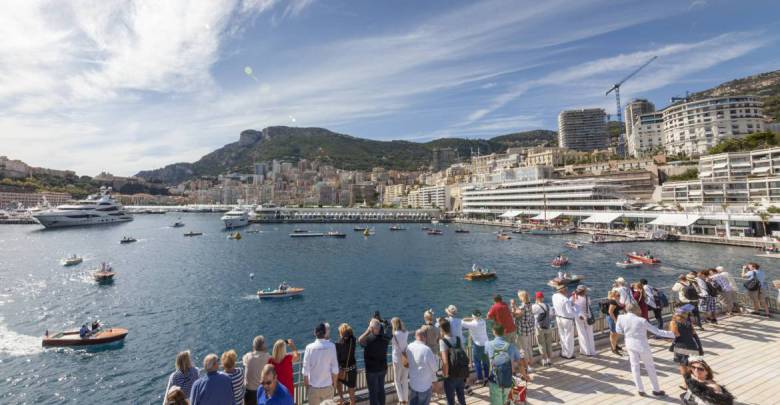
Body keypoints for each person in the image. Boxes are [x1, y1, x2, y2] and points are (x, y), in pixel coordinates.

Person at [615, 302, 674, 397]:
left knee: (634, 367)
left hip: (629, 344)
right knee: (650, 367)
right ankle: (656, 390)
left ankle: (640, 389)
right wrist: (673, 334)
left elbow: (618, 330)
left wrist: (627, 332)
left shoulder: (620, 317)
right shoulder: (641, 320)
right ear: (636, 309)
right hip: (642, 345)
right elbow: (657, 331)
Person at [485, 324, 530, 405]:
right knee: (508, 400)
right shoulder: (512, 346)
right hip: (508, 379)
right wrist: (525, 376)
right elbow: (520, 364)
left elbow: (486, 356)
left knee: (496, 402)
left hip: (494, 379)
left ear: (494, 332)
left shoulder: (488, 344)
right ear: (504, 332)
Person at [302, 323, 339, 405]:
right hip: (328, 387)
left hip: (313, 388)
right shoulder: (331, 346)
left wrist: (308, 388)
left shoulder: (309, 348)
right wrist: (334, 386)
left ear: (315, 333)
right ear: (325, 333)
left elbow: (305, 372)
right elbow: (335, 370)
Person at [358, 318, 392, 405]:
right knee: (381, 390)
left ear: (371, 328)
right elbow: (390, 325)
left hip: (371, 370)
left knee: (373, 393)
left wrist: (367, 331)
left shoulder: (368, 339)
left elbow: (359, 340)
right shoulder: (386, 338)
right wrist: (382, 322)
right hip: (382, 368)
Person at [670, 304, 703, 390]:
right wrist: (700, 348)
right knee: (692, 366)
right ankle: (692, 383)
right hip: (692, 346)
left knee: (683, 366)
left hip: (681, 348)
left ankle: (687, 385)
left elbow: (675, 335)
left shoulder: (673, 323)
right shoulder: (688, 323)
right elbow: (695, 335)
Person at [438, 319, 467, 405]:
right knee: (461, 397)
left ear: (441, 329)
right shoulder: (458, 339)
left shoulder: (442, 341)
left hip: (451, 374)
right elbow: (464, 355)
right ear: (450, 327)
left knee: (450, 400)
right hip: (461, 372)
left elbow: (445, 361)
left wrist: (445, 375)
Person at [407, 328, 438, 405]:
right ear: (425, 337)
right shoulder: (426, 350)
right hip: (424, 386)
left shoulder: (409, 347)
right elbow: (435, 368)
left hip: (413, 384)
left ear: (415, 336)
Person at [552, 283, 579, 359]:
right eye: (566, 289)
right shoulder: (566, 300)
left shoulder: (554, 296)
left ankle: (564, 352)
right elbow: (570, 312)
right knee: (569, 337)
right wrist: (577, 311)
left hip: (558, 318)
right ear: (563, 290)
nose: (567, 291)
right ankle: (569, 354)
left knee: (562, 335)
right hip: (567, 319)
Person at [462, 309, 489, 384]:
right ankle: (487, 377)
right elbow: (477, 319)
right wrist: (474, 318)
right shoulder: (483, 321)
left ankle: (480, 378)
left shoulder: (472, 324)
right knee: (485, 361)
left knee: (477, 362)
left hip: (478, 345)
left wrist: (467, 318)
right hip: (486, 343)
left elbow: (462, 321)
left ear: (473, 316)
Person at [510, 290, 536, 370]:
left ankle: (527, 366)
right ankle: (531, 363)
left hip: (522, 331)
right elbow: (521, 311)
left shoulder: (522, 307)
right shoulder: (530, 304)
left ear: (521, 298)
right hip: (529, 330)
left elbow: (515, 315)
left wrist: (512, 305)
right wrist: (515, 307)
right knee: (529, 347)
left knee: (524, 349)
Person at [243, 336, 270, 405]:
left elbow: (244, 360)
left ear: (254, 346)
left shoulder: (248, 356)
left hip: (249, 392)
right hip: (261, 391)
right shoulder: (267, 357)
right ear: (263, 346)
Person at [335, 323, 357, 405]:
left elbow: (338, 358)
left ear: (341, 333)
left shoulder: (338, 343)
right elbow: (351, 335)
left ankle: (341, 398)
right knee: (351, 388)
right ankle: (352, 403)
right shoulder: (353, 340)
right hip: (352, 368)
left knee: (338, 382)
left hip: (342, 370)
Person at [571, 285, 596, 356]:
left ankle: (585, 351)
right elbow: (589, 304)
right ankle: (592, 351)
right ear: (584, 291)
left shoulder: (574, 298)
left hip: (579, 317)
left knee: (582, 333)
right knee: (590, 334)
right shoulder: (587, 297)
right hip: (588, 317)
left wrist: (573, 295)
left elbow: (571, 306)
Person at [531, 291, 554, 366]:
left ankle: (544, 360)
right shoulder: (548, 305)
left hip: (539, 328)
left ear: (536, 298)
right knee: (548, 344)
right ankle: (549, 359)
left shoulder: (534, 306)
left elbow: (530, 314)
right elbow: (551, 316)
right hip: (548, 327)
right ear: (543, 298)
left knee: (541, 344)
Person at [391, 317, 409, 405]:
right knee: (404, 379)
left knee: (397, 380)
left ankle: (401, 400)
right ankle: (406, 399)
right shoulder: (406, 333)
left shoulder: (393, 335)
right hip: (405, 357)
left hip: (397, 359)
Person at [606, 290, 624, 356]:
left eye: (620, 295)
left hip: (616, 317)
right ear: (614, 295)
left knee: (616, 333)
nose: (619, 296)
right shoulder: (613, 301)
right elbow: (610, 312)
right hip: (612, 318)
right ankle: (613, 349)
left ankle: (615, 345)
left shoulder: (616, 300)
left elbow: (620, 306)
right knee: (613, 333)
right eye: (618, 295)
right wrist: (615, 320)